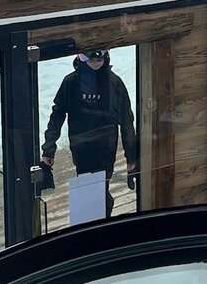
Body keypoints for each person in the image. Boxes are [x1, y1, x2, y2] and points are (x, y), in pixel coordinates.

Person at [41, 49, 137, 218]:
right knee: (87, 187)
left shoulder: (114, 83)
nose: (95, 61)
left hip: (105, 149)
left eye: (99, 57)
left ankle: (100, 221)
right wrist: (49, 148)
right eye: (90, 57)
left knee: (100, 189)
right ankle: (95, 223)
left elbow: (127, 121)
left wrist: (131, 157)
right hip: (81, 147)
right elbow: (57, 115)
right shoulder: (70, 82)